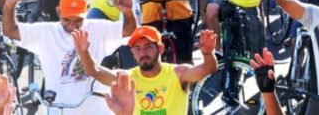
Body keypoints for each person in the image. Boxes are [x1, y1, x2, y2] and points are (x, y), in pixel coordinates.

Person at [1, 0, 136, 113]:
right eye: (66, 19)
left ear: (87, 11)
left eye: (78, 20)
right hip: (58, 110)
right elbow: (10, 31)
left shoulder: (97, 28)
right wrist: (9, 4)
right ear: (58, 12)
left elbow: (129, 31)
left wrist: (128, 12)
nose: (72, 24)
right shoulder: (45, 32)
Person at [74, 26, 218, 115]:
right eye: (137, 48)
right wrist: (83, 52)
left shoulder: (178, 73)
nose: (143, 53)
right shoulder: (127, 78)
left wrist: (207, 54)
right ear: (132, 53)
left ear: (160, 49)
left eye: (148, 47)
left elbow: (209, 68)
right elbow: (96, 72)